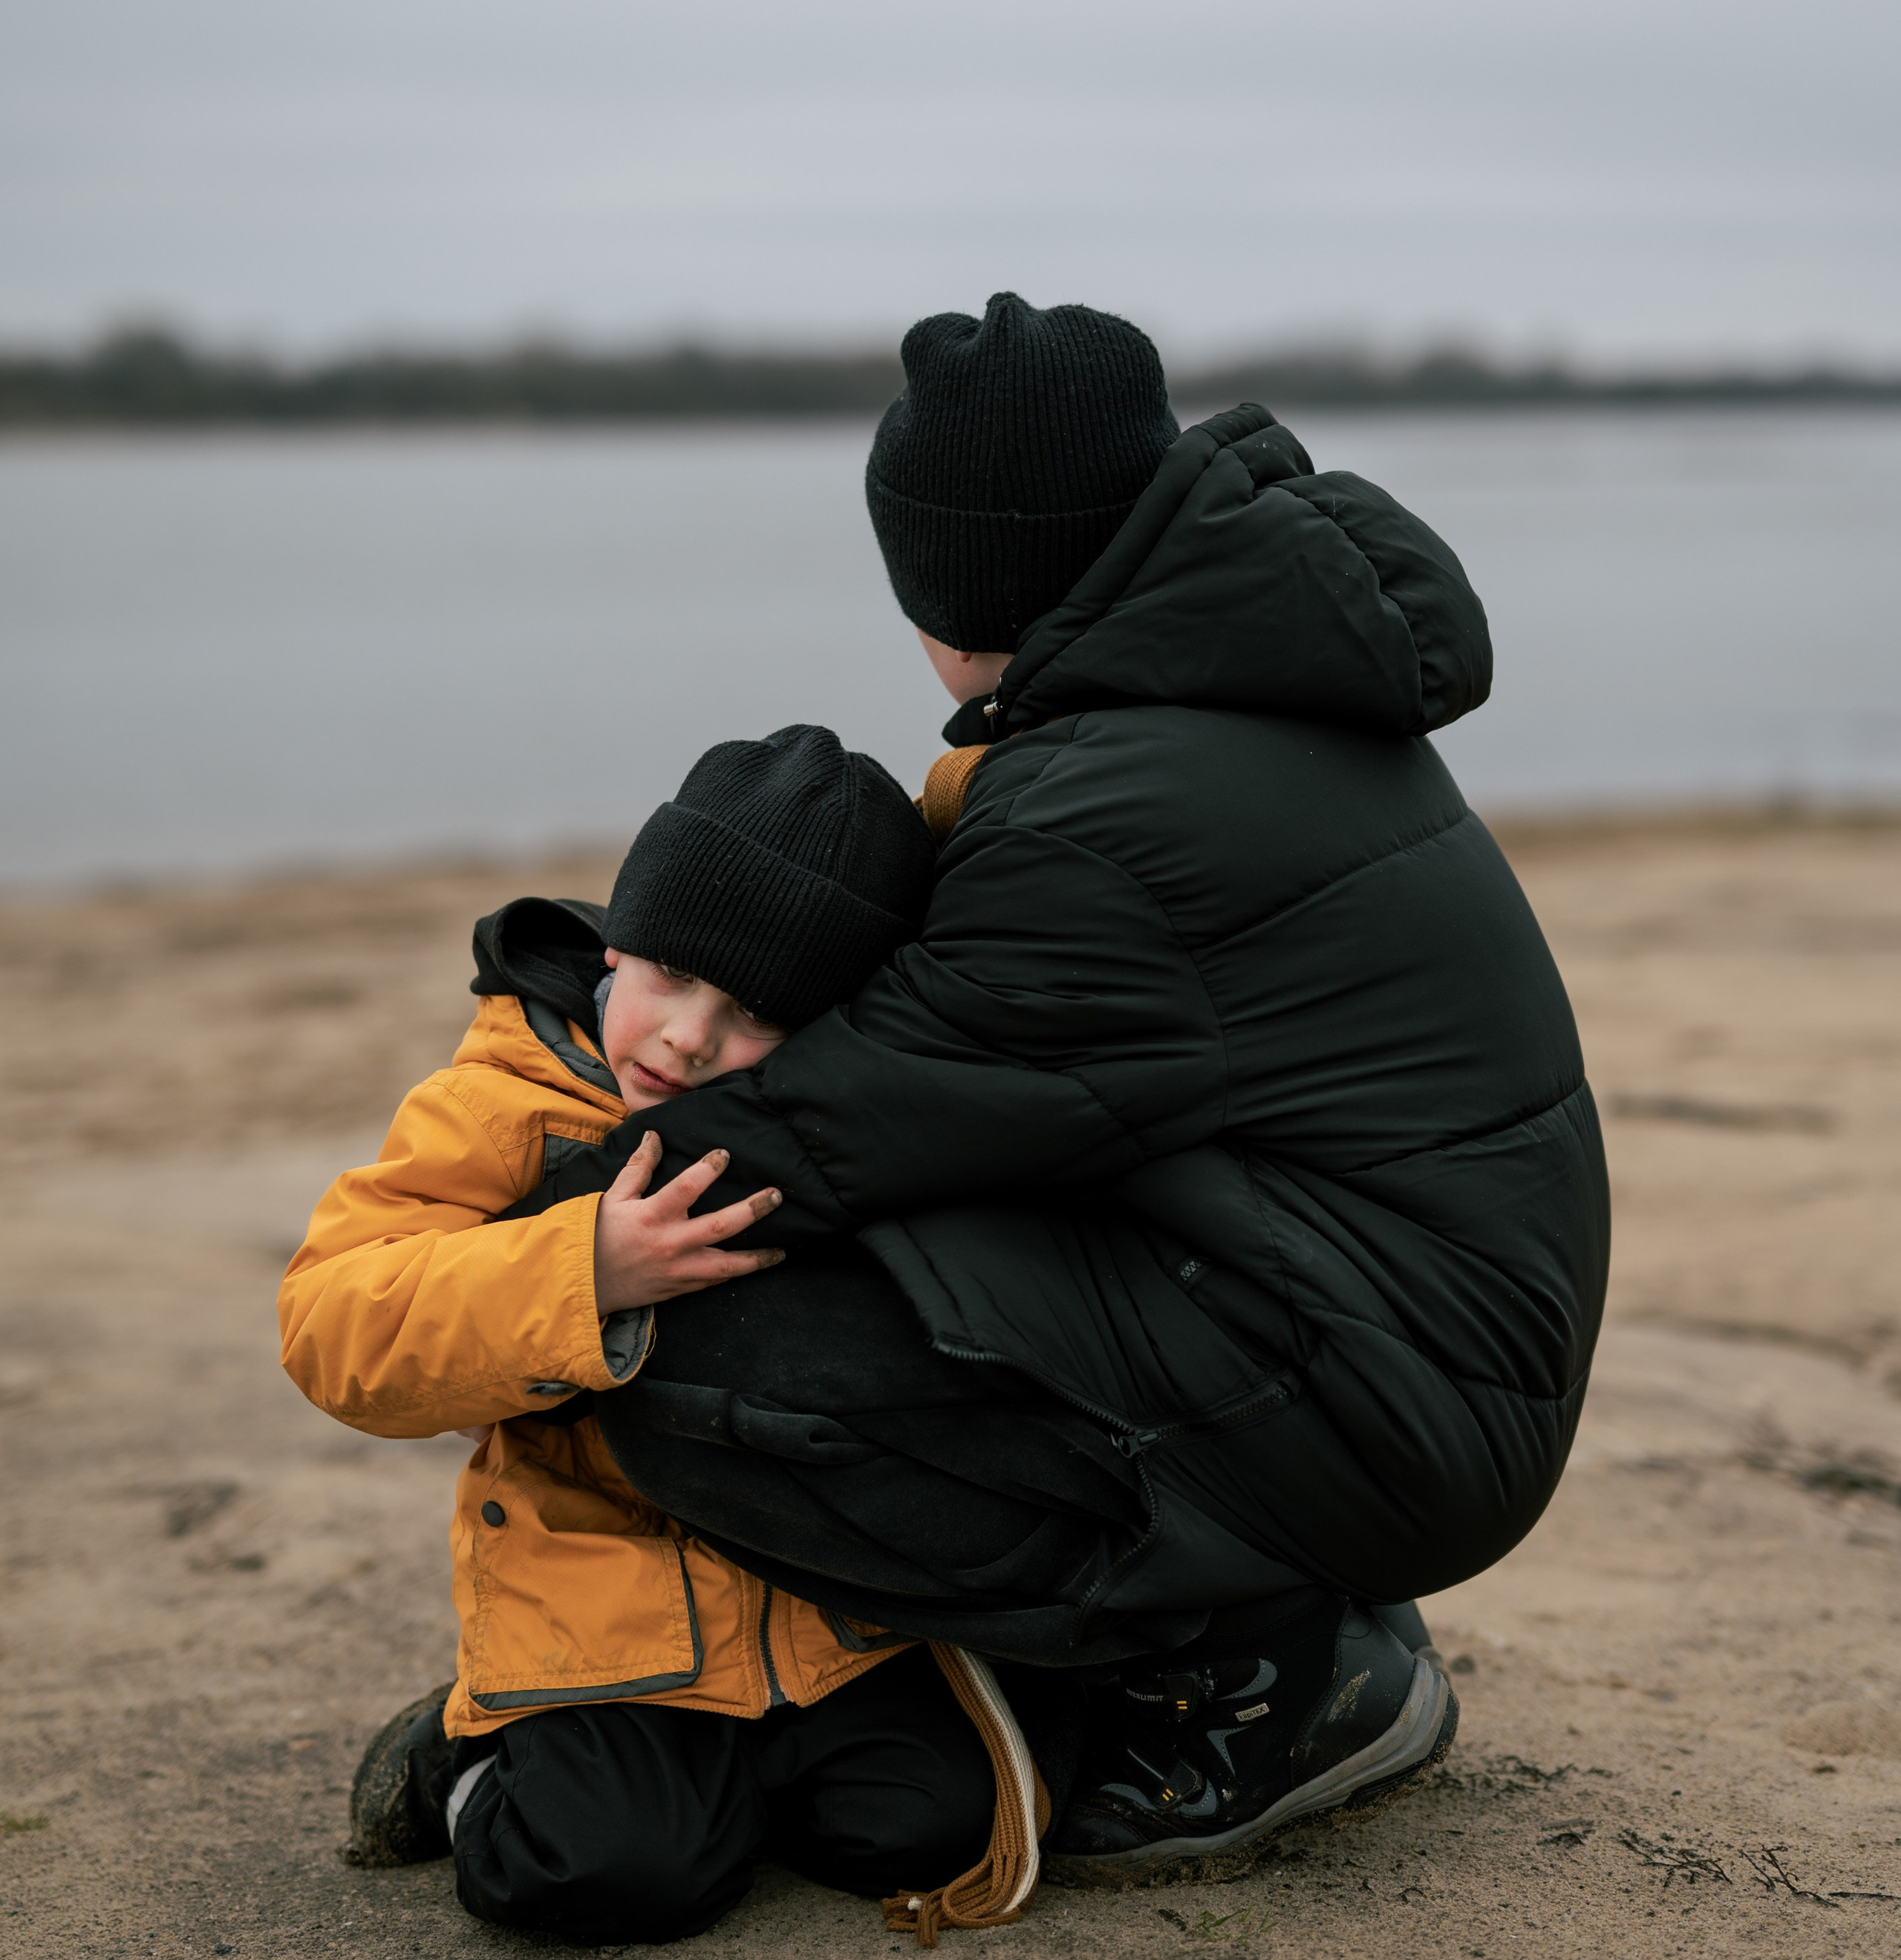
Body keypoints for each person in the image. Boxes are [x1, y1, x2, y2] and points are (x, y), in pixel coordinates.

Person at [503, 292, 1613, 1878]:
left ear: (961, 580)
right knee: (798, 1259)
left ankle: (1261, 1674)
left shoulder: (1106, 803)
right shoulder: (1228, 688)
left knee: (672, 1337)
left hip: (1393, 1398)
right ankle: (1269, 1603)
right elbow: (980, 1077)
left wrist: (554, 1217)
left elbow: (861, 1119)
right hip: (1403, 1330)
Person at [278, 726, 1044, 1949]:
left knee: (930, 1826)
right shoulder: (500, 1107)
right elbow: (332, 1327)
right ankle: (469, 1758)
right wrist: (583, 1267)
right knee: (608, 1875)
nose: (689, 1040)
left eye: (754, 1018)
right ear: (617, 944)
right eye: (672, 979)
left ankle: (705, 1783)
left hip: (812, 1609)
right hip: (600, 1601)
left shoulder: (834, 1133)